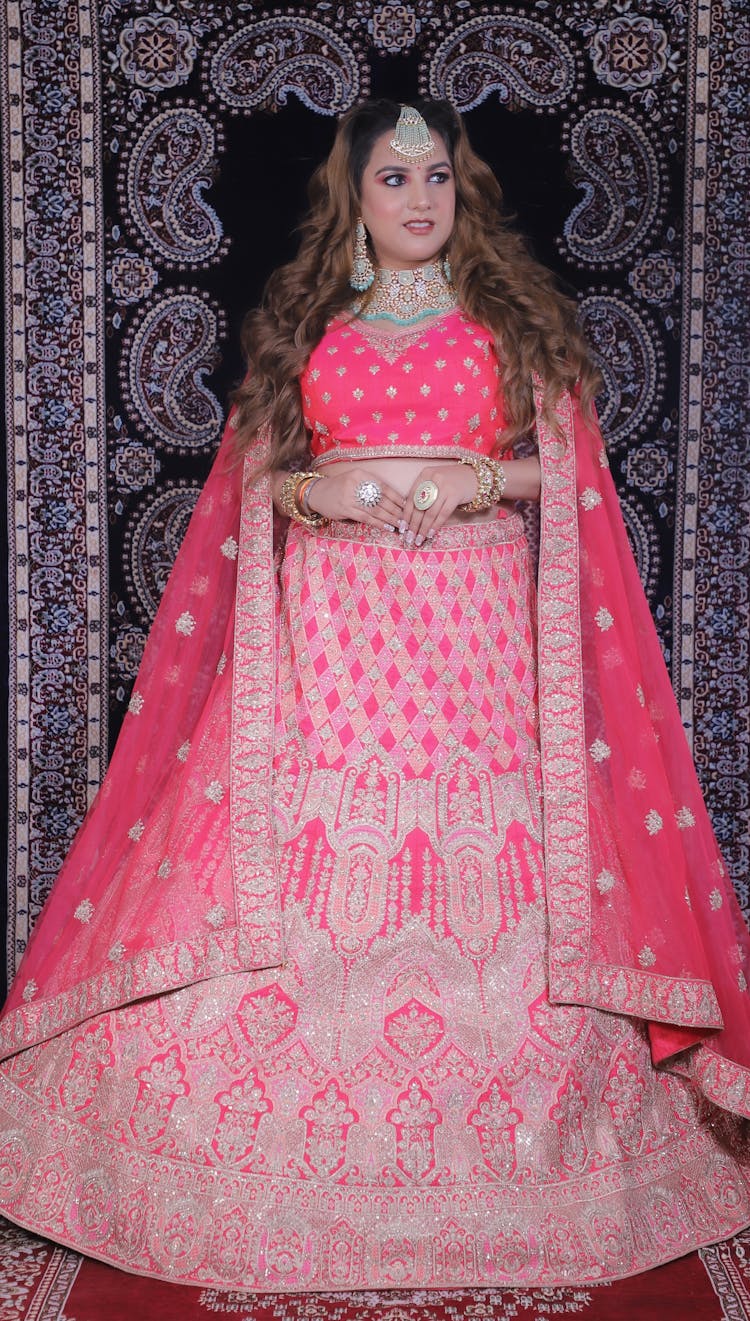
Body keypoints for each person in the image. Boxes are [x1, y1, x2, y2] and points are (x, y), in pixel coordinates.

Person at [0, 98, 748, 1292]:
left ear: (464, 193)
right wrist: (316, 502)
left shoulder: (516, 324)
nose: (418, 199)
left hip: (476, 632)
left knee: (488, 855)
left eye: (437, 177)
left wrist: (466, 479)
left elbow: (567, 475)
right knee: (293, 855)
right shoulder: (310, 327)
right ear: (354, 200)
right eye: (393, 178)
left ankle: (530, 1155)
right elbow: (263, 484)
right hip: (337, 633)